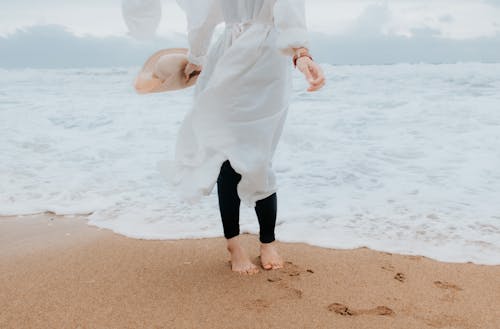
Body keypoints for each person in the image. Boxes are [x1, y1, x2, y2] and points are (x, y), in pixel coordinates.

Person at [158, 0, 326, 275]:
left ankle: (267, 241)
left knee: (259, 156)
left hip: (267, 62)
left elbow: (288, 7)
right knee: (226, 155)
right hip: (227, 57)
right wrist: (197, 57)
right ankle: (234, 245)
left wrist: (301, 53)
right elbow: (203, 14)